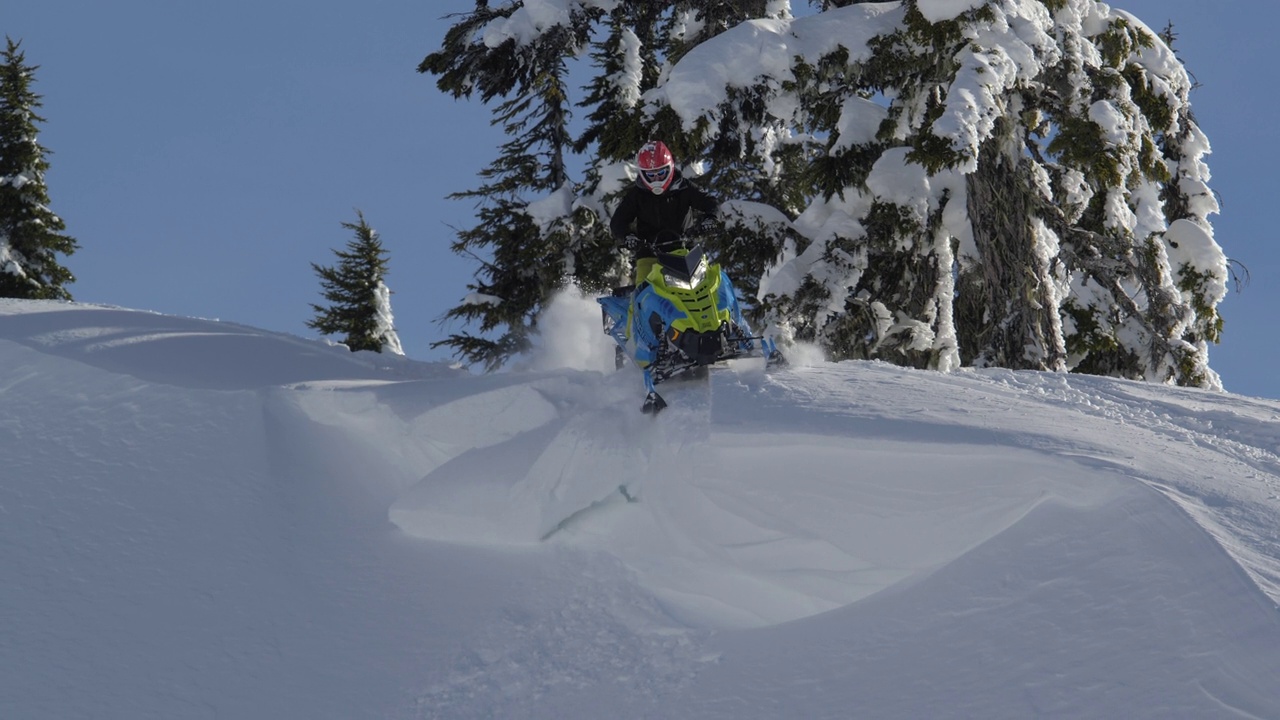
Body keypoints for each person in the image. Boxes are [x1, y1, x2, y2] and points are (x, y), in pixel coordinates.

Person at [610, 140, 719, 288]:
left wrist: (710, 219)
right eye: (650, 175)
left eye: (661, 173)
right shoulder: (637, 195)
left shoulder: (684, 188)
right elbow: (618, 221)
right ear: (642, 174)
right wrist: (628, 237)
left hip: (685, 250)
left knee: (707, 286)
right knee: (643, 292)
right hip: (649, 254)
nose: (656, 179)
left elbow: (710, 202)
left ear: (670, 169)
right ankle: (635, 310)